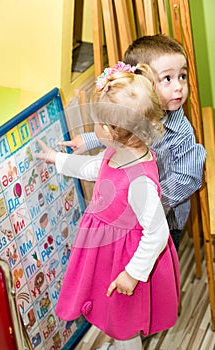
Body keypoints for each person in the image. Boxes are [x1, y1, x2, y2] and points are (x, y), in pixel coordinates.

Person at [36, 62, 180, 350]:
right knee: (111, 312)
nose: (94, 127)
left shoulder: (140, 183)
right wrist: (58, 159)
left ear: (116, 131)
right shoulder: (116, 152)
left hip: (126, 259)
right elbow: (94, 168)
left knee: (125, 322)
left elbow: (158, 233)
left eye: (99, 123)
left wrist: (132, 273)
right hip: (108, 252)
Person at [60, 35, 206, 252]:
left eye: (182, 76)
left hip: (164, 218)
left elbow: (189, 178)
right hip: (130, 211)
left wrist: (148, 202)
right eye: (167, 78)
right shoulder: (133, 115)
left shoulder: (181, 131)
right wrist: (89, 140)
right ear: (142, 83)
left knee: (158, 264)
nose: (179, 87)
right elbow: (118, 133)